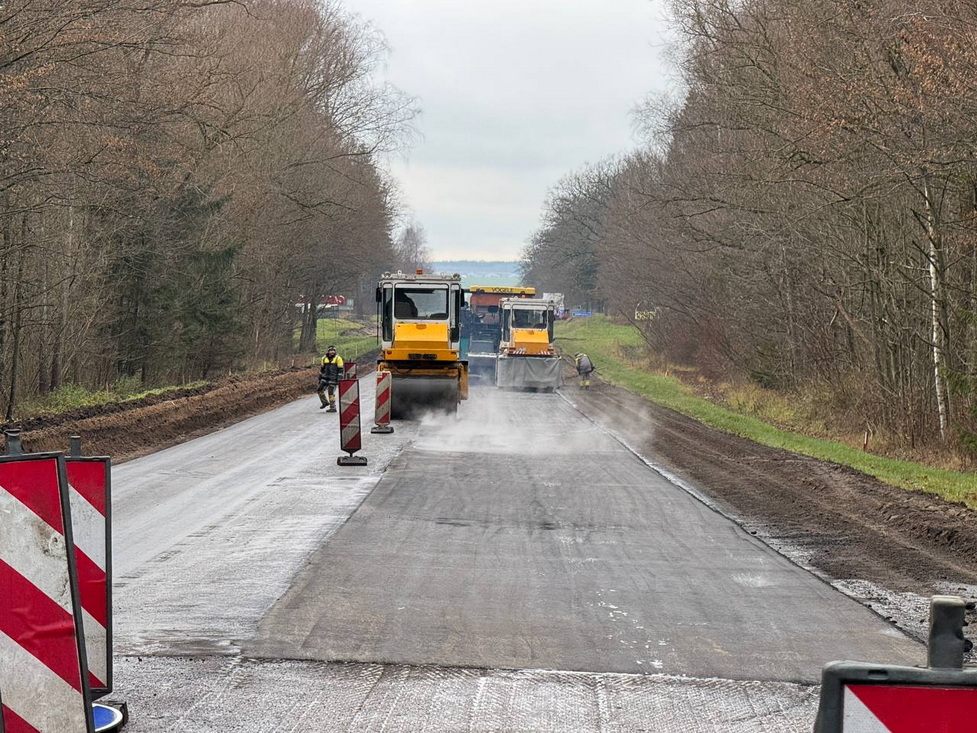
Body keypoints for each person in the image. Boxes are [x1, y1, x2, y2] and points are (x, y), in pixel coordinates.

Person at [317, 346, 345, 411]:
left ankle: (333, 407)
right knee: (319, 390)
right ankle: (325, 402)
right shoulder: (324, 358)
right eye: (330, 350)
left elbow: (340, 370)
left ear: (335, 351)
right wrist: (320, 377)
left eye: (333, 350)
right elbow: (322, 369)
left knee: (331, 392)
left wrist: (339, 379)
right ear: (328, 351)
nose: (332, 352)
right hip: (325, 378)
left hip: (333, 378)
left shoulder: (338, 358)